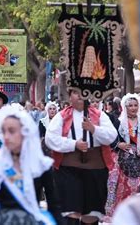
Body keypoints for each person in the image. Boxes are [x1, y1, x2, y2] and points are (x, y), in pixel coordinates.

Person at [0, 105, 62, 225]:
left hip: (32, 220)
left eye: (12, 131)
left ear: (25, 132)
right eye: (3, 131)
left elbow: (53, 204)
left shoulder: (40, 164)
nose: (6, 137)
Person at [45, 90, 117, 225]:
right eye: (75, 93)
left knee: (92, 212)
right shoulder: (62, 116)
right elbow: (50, 139)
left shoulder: (99, 115)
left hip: (95, 169)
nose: (79, 96)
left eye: (82, 92)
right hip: (68, 169)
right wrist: (73, 144)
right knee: (70, 209)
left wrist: (93, 129)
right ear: (69, 96)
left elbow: (111, 136)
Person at [105, 94, 140, 218]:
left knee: (138, 188)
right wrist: (118, 144)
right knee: (121, 187)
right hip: (122, 159)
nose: (133, 108)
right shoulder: (118, 121)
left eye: (136, 105)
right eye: (130, 105)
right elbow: (110, 137)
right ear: (125, 107)